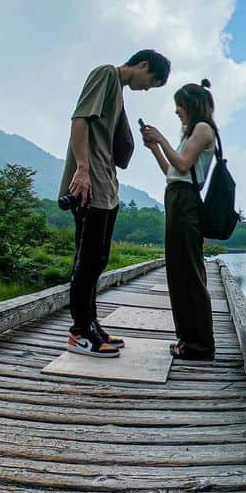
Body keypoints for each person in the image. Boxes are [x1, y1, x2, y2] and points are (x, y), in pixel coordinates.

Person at [60, 49, 171, 357]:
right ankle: (79, 332)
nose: (148, 88)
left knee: (98, 259)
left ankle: (91, 324)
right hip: (90, 184)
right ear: (143, 65)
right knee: (87, 260)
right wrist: (81, 168)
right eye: (152, 81)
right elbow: (80, 120)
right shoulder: (106, 73)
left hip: (106, 186)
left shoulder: (118, 91)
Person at [141, 80, 217, 361]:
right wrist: (155, 149)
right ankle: (188, 340)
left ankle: (199, 345)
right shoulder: (191, 132)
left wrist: (160, 138)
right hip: (176, 197)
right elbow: (173, 171)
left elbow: (183, 166)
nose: (176, 111)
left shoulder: (203, 128)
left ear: (191, 104)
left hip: (185, 202)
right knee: (178, 271)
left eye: (179, 105)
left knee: (189, 274)